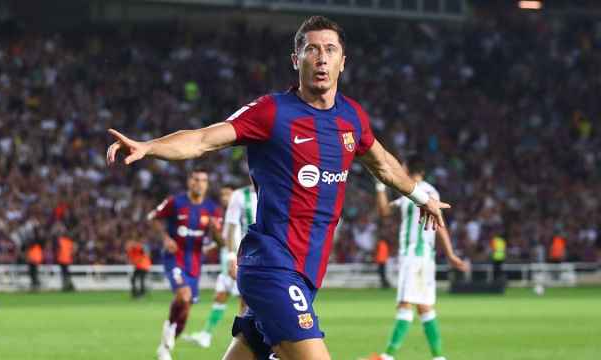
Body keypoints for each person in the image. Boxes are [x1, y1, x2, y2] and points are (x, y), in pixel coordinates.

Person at [106, 16, 449, 360]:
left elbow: (385, 165)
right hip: (271, 266)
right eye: (311, 49)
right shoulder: (272, 112)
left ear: (343, 62)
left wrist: (422, 196)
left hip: (306, 272)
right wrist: (149, 146)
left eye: (330, 50)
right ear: (295, 59)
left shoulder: (352, 117)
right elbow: (203, 140)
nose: (321, 58)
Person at [367, 154, 469, 360]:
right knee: (424, 307)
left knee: (405, 303)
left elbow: (438, 224)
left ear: (407, 168)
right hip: (425, 258)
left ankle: (387, 356)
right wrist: (380, 188)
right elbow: (386, 211)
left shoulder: (422, 193)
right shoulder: (417, 192)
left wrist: (450, 254)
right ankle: (439, 357)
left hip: (413, 255)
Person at [147, 168, 223, 360]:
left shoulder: (212, 209)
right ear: (189, 182)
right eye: (196, 179)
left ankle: (166, 344)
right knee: (183, 295)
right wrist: (165, 239)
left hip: (195, 263)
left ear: (207, 184)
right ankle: (169, 332)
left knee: (186, 311)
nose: (199, 183)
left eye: (203, 180)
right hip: (174, 257)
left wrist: (215, 232)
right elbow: (153, 218)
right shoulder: (175, 202)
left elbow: (222, 242)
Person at [185, 182, 257, 348]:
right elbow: (223, 241)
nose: (225, 198)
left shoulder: (243, 207)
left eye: (228, 194)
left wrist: (234, 258)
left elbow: (231, 237)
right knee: (220, 296)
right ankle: (207, 335)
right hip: (229, 260)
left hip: (241, 259)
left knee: (244, 301)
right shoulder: (223, 215)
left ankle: (245, 341)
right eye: (222, 195)